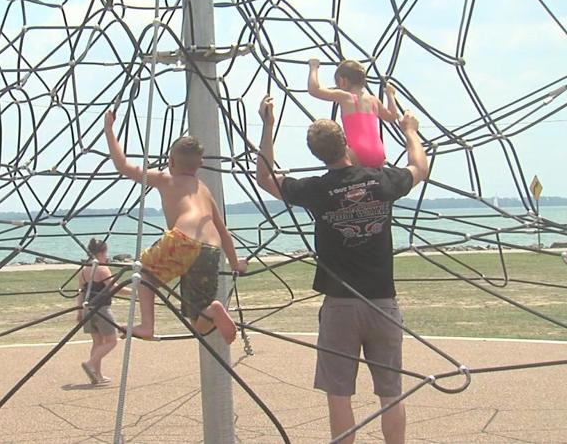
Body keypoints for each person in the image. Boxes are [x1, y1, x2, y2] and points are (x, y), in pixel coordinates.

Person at [255, 95, 428, 444]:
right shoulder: (379, 180)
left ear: (316, 154)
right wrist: (410, 131)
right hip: (382, 302)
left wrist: (267, 124)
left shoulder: (318, 189)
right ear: (346, 142)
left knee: (339, 393)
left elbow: (265, 178)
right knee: (390, 392)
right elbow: (419, 168)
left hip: (339, 305)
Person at [103, 109, 247, 344]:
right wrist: (235, 263)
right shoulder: (204, 189)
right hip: (211, 249)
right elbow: (223, 231)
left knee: (144, 275)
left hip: (182, 239)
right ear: (200, 164)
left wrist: (109, 130)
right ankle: (213, 309)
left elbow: (124, 167)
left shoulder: (165, 178)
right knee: (199, 324)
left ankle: (147, 326)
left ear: (170, 161)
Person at [307, 58, 399, 168]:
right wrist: (390, 95)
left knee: (336, 164)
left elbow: (314, 89)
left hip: (357, 152)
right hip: (378, 153)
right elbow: (392, 117)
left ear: (343, 81)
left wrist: (314, 67)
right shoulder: (373, 100)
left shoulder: (346, 97)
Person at [76, 238, 119, 385]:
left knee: (97, 342)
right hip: (101, 310)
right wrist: (135, 292)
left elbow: (81, 292)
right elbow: (113, 287)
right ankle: (90, 364)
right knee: (112, 341)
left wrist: (79, 311)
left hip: (87, 309)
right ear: (102, 252)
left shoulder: (84, 270)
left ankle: (97, 375)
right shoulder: (102, 268)